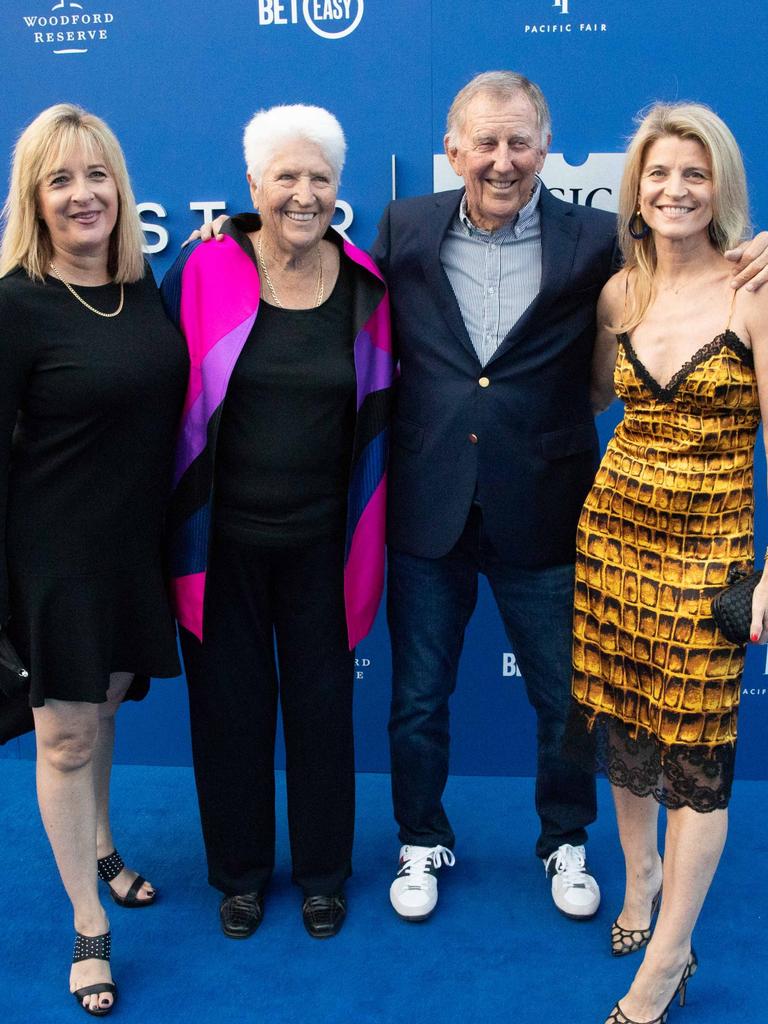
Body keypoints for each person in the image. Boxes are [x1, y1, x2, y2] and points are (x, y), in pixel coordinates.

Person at [369, 71, 768, 925]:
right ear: (454, 151)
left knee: (568, 701)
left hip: (550, 505)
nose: (503, 161)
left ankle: (564, 843)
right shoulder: (402, 228)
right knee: (416, 696)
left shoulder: (597, 244)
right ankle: (419, 838)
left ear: (545, 149)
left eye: (520, 142)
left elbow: (690, 270)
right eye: (486, 142)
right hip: (429, 502)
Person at [161, 105, 393, 941]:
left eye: (320, 178)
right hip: (217, 547)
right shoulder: (199, 273)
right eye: (285, 176)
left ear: (339, 188)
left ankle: (325, 872)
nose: (303, 193)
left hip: (325, 546)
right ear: (253, 183)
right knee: (229, 712)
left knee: (325, 710)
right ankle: (240, 875)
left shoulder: (366, 284)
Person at [571, 102, 768, 1024]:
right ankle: (639, 878)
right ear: (636, 190)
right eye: (658, 174)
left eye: (694, 173)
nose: (675, 189)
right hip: (613, 545)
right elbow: (583, 412)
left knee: (698, 760)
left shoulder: (755, 290)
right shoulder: (620, 293)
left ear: (720, 184)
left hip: (708, 562)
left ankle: (669, 955)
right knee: (626, 730)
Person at [0, 104, 188, 1015]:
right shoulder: (14, 305)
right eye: (61, 179)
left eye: (97, 175)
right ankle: (88, 923)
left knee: (105, 706)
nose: (83, 195)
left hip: (133, 549)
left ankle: (105, 846)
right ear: (35, 200)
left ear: (121, 186)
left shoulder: (145, 288)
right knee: (65, 735)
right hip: (54, 557)